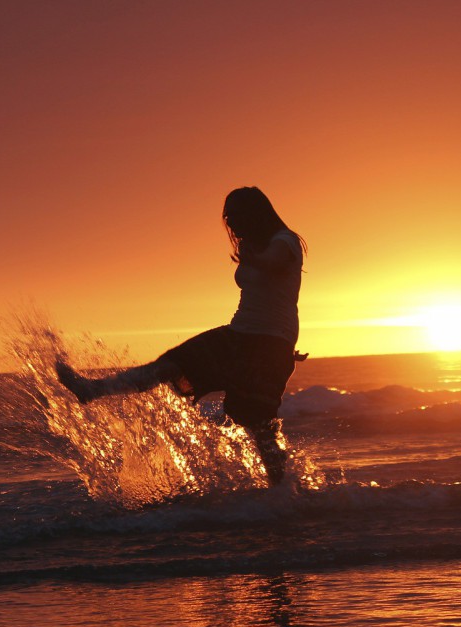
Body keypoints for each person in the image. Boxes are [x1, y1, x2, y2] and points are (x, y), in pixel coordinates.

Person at [55, 186, 306, 485]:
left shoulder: (285, 241)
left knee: (258, 420)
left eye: (236, 215)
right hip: (240, 332)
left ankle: (281, 493)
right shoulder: (254, 246)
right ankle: (93, 390)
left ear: (255, 213)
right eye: (228, 216)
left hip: (270, 341)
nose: (231, 222)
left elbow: (275, 263)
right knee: (170, 365)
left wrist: (252, 257)